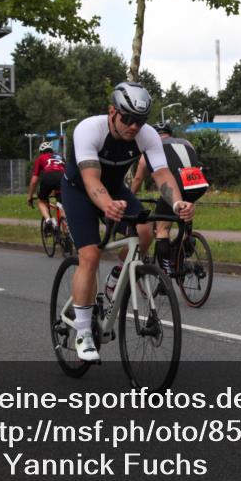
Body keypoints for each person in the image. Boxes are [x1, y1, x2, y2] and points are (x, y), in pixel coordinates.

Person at [61, 82, 195, 361]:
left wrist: (178, 202)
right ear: (112, 112)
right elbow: (90, 179)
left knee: (145, 232)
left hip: (115, 188)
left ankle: (116, 277)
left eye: (141, 121)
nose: (134, 126)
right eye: (128, 119)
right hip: (80, 190)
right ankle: (84, 331)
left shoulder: (146, 136)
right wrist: (106, 204)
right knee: (90, 255)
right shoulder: (89, 129)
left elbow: (162, 176)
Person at [130, 122, 209, 275]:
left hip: (177, 184)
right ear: (170, 133)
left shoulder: (153, 147)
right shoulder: (187, 143)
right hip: (198, 183)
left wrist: (130, 196)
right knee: (184, 214)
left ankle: (165, 272)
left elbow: (139, 178)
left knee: (162, 229)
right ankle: (185, 242)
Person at [27, 142, 65, 230]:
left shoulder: (40, 158)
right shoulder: (61, 157)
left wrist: (29, 196)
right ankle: (67, 238)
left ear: (42, 152)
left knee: (41, 201)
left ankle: (48, 220)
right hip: (63, 178)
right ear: (52, 151)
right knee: (62, 206)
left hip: (48, 177)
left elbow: (34, 181)